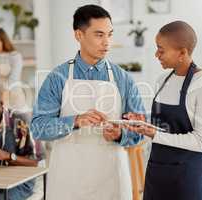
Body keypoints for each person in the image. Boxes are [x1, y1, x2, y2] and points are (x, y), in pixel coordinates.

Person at [30, 4, 145, 200]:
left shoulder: (123, 79)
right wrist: (74, 121)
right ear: (79, 35)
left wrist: (121, 134)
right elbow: (38, 128)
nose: (107, 42)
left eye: (110, 34)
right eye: (99, 35)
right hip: (68, 179)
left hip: (111, 177)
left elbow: (140, 128)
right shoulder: (58, 77)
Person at [124, 21, 202, 200]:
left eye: (161, 50)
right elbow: (166, 124)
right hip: (157, 172)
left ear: (182, 52)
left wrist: (154, 133)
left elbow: (201, 142)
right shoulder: (163, 80)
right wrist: (143, 120)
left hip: (188, 177)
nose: (156, 55)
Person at [0, 28, 26, 110]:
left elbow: (14, 78)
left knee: (15, 119)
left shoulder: (15, 56)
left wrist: (4, 94)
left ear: (3, 41)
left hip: (13, 94)